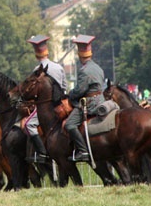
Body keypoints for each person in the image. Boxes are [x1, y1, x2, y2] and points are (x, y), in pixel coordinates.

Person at [24, 35, 67, 164]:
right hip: (60, 105)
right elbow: (64, 87)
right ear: (46, 50)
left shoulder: (37, 71)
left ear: (36, 53)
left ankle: (42, 153)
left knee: (29, 124)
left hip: (46, 110)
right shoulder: (58, 67)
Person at [64, 35, 105, 162]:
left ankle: (82, 151)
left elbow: (80, 90)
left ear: (80, 55)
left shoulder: (84, 70)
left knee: (69, 124)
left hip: (90, 103)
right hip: (101, 100)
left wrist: (70, 94)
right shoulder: (97, 67)